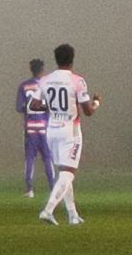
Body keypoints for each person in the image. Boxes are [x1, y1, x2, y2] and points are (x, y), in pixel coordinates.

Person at [30, 42, 98, 226]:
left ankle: (72, 215)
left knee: (63, 172)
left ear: (56, 59)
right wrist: (97, 103)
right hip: (71, 130)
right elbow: (88, 111)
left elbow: (34, 105)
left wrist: (50, 107)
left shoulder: (45, 80)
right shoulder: (77, 81)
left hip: (52, 129)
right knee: (68, 173)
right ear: (72, 59)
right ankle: (48, 210)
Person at [18, 59, 53, 199]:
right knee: (48, 159)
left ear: (30, 69)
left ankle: (30, 190)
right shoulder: (48, 85)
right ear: (43, 69)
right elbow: (51, 106)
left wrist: (30, 108)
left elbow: (19, 107)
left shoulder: (24, 86)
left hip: (30, 128)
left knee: (30, 159)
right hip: (45, 127)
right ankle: (52, 188)